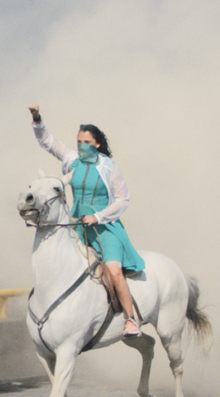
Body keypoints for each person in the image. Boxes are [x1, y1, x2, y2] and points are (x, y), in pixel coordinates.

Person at [29, 104, 146, 336]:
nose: (81, 145)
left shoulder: (110, 166)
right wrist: (37, 118)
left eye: (86, 142)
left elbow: (123, 200)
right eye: (78, 141)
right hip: (78, 228)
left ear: (97, 144)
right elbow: (47, 141)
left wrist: (98, 216)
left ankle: (130, 320)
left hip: (106, 229)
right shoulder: (71, 159)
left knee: (113, 271)